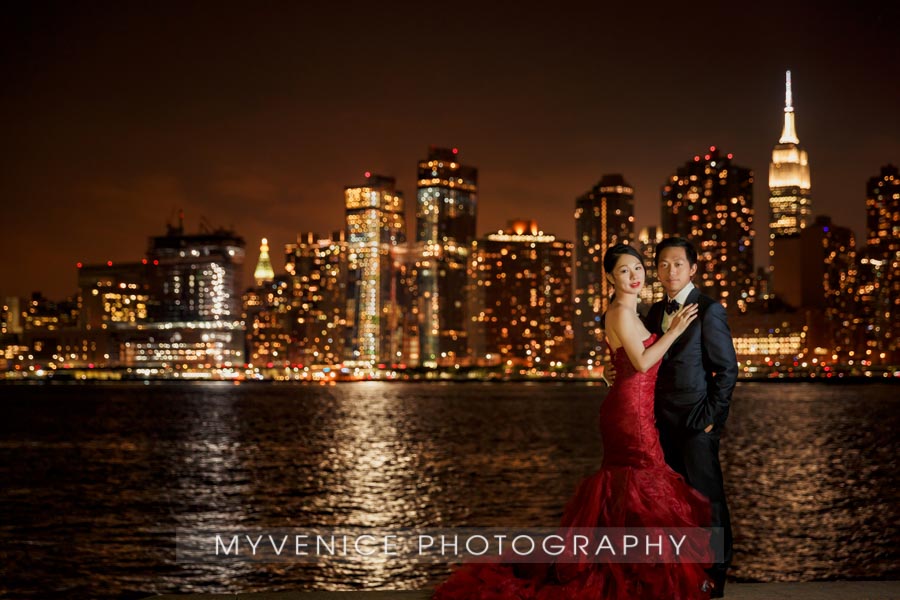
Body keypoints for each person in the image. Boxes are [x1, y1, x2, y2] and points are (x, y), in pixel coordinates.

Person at [432, 243, 715, 599]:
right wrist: (673, 332)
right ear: (610, 277)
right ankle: (630, 574)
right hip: (629, 414)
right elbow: (643, 363)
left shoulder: (633, 314)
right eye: (625, 271)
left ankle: (630, 572)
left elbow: (626, 363)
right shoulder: (619, 313)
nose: (634, 276)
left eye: (639, 268)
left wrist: (608, 372)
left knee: (635, 490)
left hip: (634, 407)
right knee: (641, 482)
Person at [646, 236, 737, 598]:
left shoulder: (709, 310)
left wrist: (711, 418)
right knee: (674, 503)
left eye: (678, 264)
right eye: (664, 264)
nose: (671, 271)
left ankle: (714, 578)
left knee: (707, 500)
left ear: (693, 268)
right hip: (661, 424)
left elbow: (726, 370)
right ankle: (683, 574)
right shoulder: (654, 312)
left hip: (697, 422)